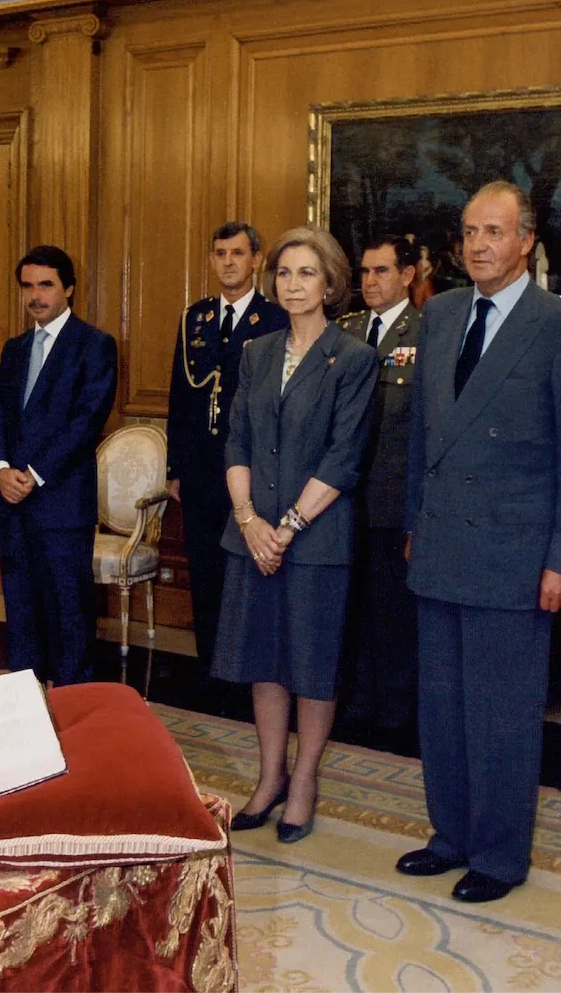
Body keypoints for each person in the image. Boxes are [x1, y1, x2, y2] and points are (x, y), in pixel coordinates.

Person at [398, 181, 561, 903]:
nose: (479, 244)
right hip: (443, 545)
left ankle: (498, 854)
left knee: (502, 715)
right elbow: (425, 434)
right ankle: (450, 834)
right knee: (443, 706)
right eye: (470, 231)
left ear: (526, 243)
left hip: (517, 556)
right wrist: (415, 527)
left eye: (494, 231)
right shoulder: (443, 313)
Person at [213, 226, 377, 844]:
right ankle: (269, 777)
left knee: (312, 666)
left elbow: (343, 458)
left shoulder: (353, 358)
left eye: (307, 273)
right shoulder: (256, 352)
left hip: (315, 540)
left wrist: (285, 529)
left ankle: (304, 782)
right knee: (264, 664)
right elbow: (238, 441)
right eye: (284, 272)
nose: (293, 283)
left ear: (330, 282)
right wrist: (249, 519)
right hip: (253, 535)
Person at [0, 245, 117, 686]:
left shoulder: (95, 345)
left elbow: (86, 420)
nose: (35, 295)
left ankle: (75, 717)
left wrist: (33, 474)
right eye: (27, 285)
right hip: (12, 502)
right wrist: (1, 469)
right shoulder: (16, 348)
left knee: (69, 618)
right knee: (21, 614)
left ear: (69, 289)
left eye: (46, 285)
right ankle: (27, 716)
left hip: (60, 503)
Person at [167, 223, 287, 682]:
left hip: (251, 468)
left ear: (256, 259)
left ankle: (243, 672)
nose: (228, 262)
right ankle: (207, 669)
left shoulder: (274, 318)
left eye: (237, 253)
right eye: (220, 254)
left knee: (245, 572)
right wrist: (175, 467)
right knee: (204, 568)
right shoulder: (193, 319)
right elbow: (181, 397)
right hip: (199, 469)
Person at [335, 235, 422, 747]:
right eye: (364, 272)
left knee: (392, 612)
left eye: (381, 271)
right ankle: (355, 702)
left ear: (407, 276)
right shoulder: (345, 331)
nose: (370, 282)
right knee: (350, 607)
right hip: (340, 499)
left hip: (392, 501)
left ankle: (393, 712)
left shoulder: (427, 331)